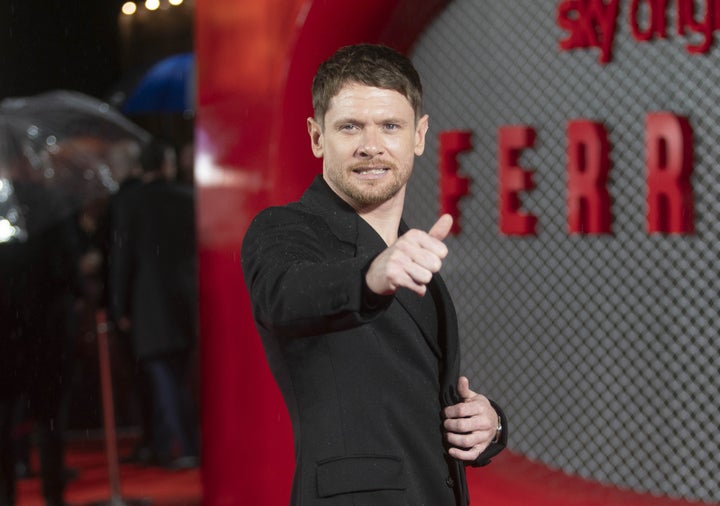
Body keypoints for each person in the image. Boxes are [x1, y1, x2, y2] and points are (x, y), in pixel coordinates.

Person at [241, 43, 507, 505]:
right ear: (317, 136)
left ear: (419, 137)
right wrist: (370, 275)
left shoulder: (408, 248)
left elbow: (410, 393)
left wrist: (487, 424)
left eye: (390, 126)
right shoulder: (284, 229)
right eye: (350, 127)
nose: (371, 145)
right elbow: (286, 295)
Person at [108, 139, 199, 469]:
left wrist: (119, 306)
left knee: (164, 380)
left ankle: (184, 446)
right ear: (166, 164)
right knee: (180, 378)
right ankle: (172, 443)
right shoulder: (187, 198)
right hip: (187, 300)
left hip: (149, 304)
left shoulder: (130, 203)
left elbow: (122, 258)